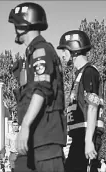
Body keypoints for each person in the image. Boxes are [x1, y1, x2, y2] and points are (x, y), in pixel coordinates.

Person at [8, 2, 67, 171]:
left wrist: (25, 126)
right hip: (33, 141)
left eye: (16, 24)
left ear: (24, 24)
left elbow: (42, 89)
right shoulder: (32, 54)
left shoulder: (41, 50)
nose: (15, 30)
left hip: (46, 140)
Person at [58, 30, 104, 172]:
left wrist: (88, 141)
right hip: (79, 137)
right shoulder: (79, 75)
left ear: (74, 49)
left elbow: (92, 105)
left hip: (87, 135)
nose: (62, 54)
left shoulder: (89, 72)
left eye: (64, 50)